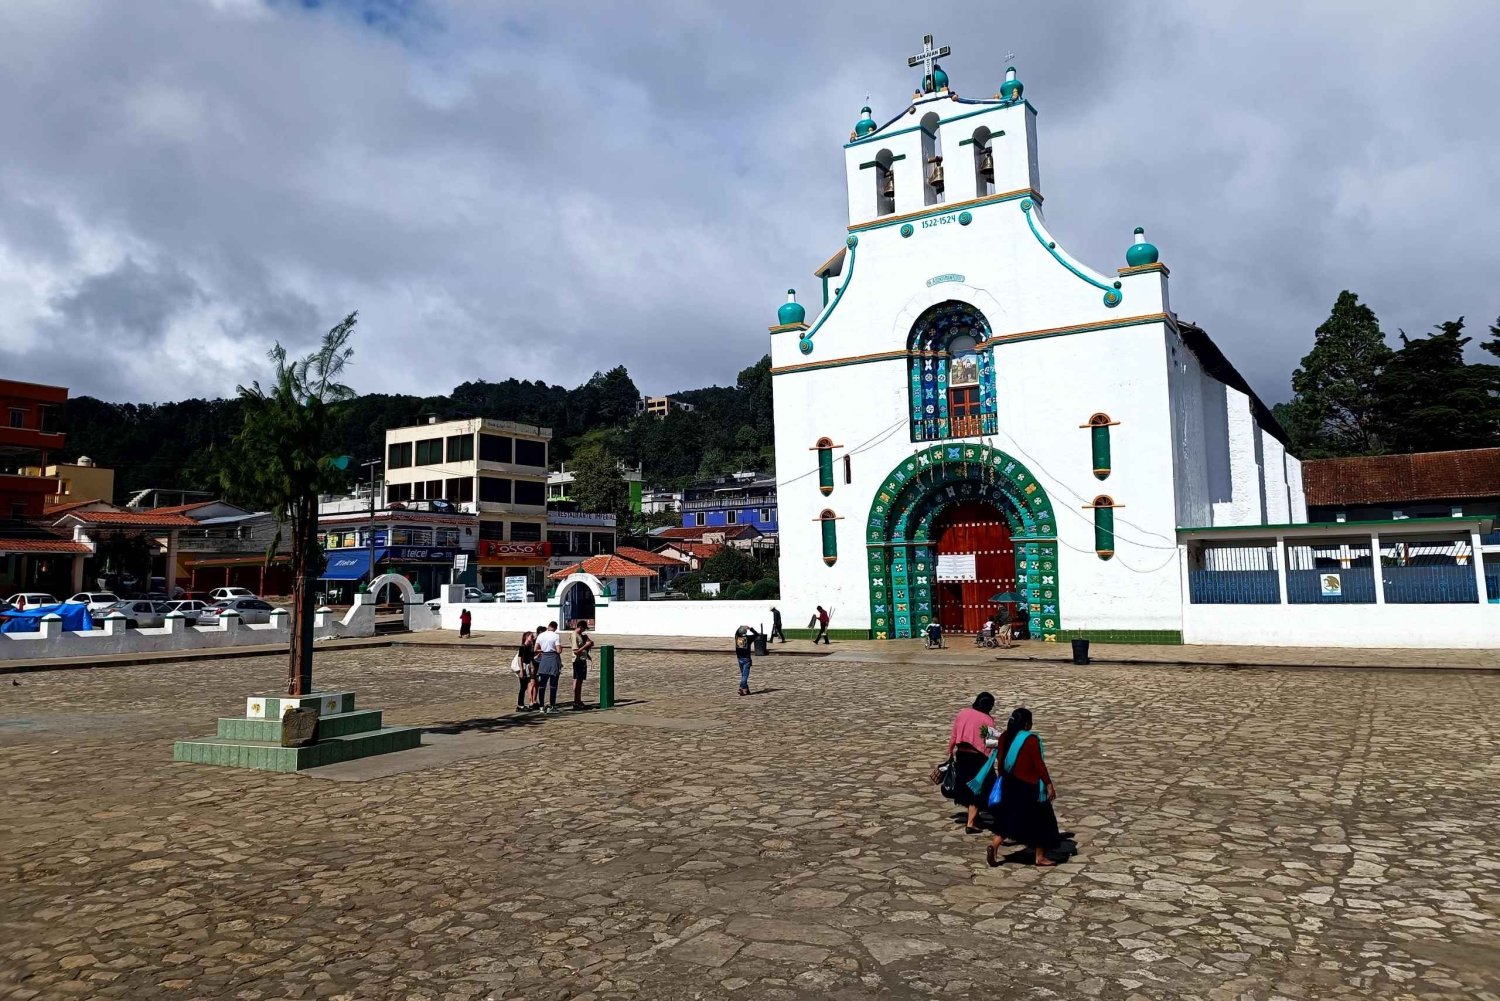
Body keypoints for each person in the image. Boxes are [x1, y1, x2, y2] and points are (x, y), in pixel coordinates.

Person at [988, 707, 1063, 868]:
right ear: (1027, 724)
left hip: (1009, 783)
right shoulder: (1030, 739)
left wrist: (1003, 778)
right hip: (1029, 786)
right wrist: (1049, 784)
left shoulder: (1004, 737)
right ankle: (1040, 857)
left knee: (1010, 818)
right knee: (1044, 821)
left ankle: (994, 845)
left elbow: (1000, 761)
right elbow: (1038, 764)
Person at [946, 692, 998, 834]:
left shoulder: (962, 713)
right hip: (978, 757)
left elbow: (954, 734)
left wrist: (950, 749)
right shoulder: (988, 720)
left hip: (962, 754)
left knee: (966, 786)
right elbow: (990, 743)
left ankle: (974, 816)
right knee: (979, 787)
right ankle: (971, 823)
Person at [534, 621, 563, 714]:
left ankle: (541, 706)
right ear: (555, 628)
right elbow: (558, 650)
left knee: (542, 685)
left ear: (548, 626)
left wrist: (543, 649)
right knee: (553, 685)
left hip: (544, 659)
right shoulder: (555, 636)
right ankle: (552, 705)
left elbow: (535, 649)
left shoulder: (541, 635)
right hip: (553, 659)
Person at [569, 619, 595, 710]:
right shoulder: (574, 635)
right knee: (578, 681)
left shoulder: (580, 635)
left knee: (580, 681)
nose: (584, 631)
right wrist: (586, 646)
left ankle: (578, 700)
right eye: (584, 629)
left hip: (582, 659)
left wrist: (588, 643)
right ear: (580, 627)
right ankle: (576, 701)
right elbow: (576, 651)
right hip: (578, 660)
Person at [734, 625, 759, 696]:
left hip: (739, 658)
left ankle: (746, 690)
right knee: (745, 676)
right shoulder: (748, 638)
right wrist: (750, 628)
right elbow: (757, 635)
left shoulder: (737, 637)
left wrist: (741, 627)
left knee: (743, 675)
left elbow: (736, 632)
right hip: (746, 659)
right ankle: (741, 687)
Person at [515, 630, 536, 712]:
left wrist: (532, 666)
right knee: (522, 687)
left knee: (525, 686)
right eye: (531, 636)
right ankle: (520, 705)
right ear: (527, 637)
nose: (533, 638)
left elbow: (531, 658)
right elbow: (520, 658)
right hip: (523, 666)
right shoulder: (522, 647)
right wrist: (521, 669)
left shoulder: (530, 647)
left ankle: (522, 704)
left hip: (528, 667)